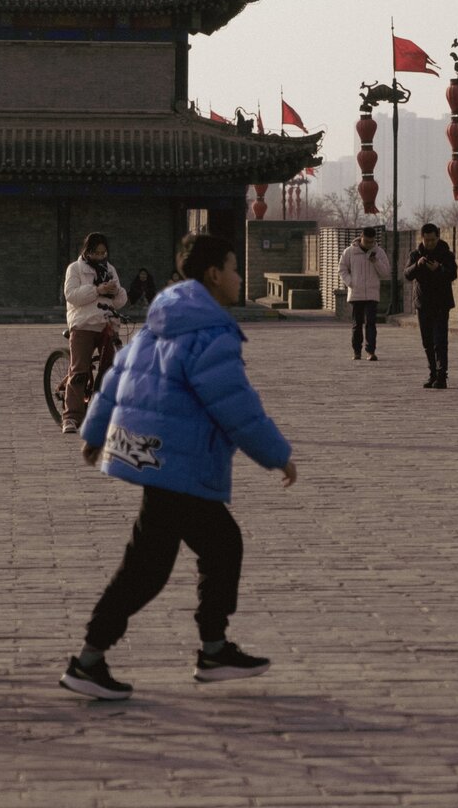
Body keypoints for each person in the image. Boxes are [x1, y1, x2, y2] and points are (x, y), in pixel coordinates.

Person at [59, 232, 297, 701]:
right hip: (179, 463)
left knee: (207, 549)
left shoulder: (163, 320)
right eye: (233, 268)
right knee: (155, 566)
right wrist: (277, 455)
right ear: (213, 275)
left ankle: (209, 648)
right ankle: (96, 660)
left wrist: (93, 433)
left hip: (163, 459)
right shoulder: (208, 330)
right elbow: (236, 405)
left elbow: (120, 376)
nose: (238, 277)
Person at [61, 232, 127, 435]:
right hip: (83, 324)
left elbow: (120, 300)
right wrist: (97, 289)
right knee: (80, 370)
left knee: (109, 371)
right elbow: (71, 295)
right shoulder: (75, 269)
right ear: (87, 251)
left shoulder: (110, 269)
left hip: (107, 323)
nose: (100, 256)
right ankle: (71, 417)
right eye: (96, 253)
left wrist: (116, 292)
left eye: (103, 252)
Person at [403, 223, 458, 389]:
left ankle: (442, 376)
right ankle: (432, 373)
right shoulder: (416, 255)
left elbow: (453, 274)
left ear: (438, 237)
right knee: (427, 341)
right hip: (423, 303)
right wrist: (417, 264)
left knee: (440, 340)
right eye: (427, 240)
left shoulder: (446, 254)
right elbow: (407, 275)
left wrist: (439, 268)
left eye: (433, 240)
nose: (430, 243)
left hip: (441, 303)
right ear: (422, 238)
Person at [337, 226, 390, 361]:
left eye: (371, 242)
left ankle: (370, 351)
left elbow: (385, 273)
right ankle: (356, 351)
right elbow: (342, 269)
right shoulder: (350, 252)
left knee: (371, 323)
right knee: (357, 324)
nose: (369, 244)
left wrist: (376, 261)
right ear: (361, 237)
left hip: (372, 293)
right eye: (366, 241)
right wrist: (350, 282)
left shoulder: (379, 252)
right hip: (356, 293)